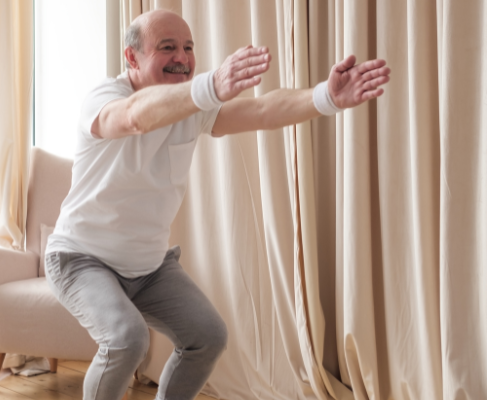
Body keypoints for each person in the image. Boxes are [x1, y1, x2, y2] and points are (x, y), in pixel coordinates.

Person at [44, 9, 390, 400]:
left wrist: (326, 97)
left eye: (189, 48)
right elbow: (133, 118)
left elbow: (260, 110)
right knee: (127, 338)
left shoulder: (191, 107)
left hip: (147, 266)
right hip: (82, 259)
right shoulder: (106, 97)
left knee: (207, 337)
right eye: (168, 47)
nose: (183, 58)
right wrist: (209, 85)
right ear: (131, 58)